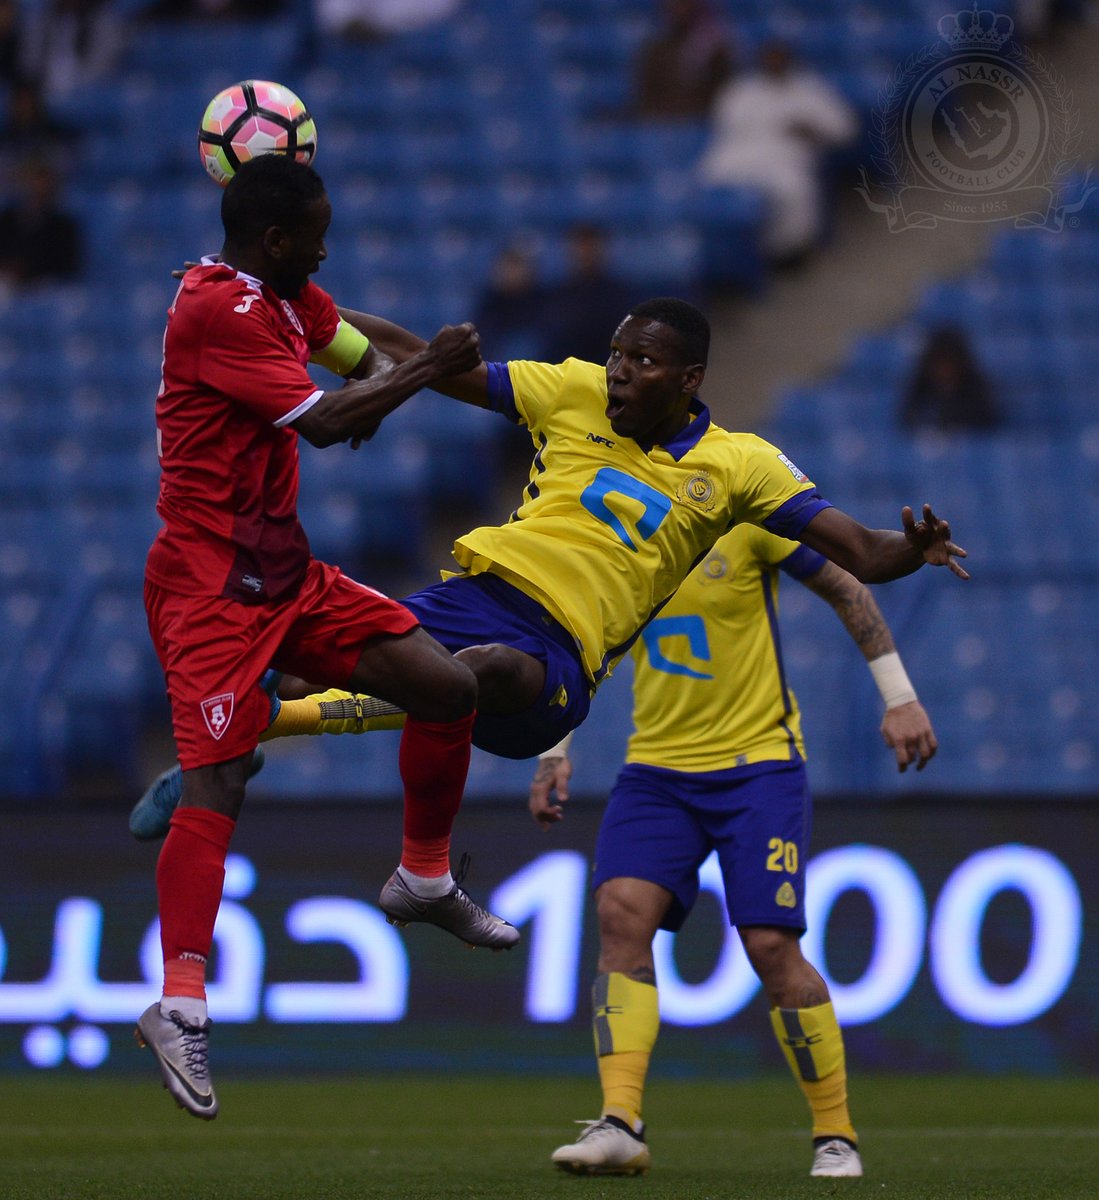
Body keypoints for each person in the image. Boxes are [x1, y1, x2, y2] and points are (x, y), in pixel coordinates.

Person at [131, 295, 967, 847]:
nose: (618, 371)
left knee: (475, 672)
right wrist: (291, 308)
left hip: (558, 664)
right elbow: (424, 361)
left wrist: (912, 550)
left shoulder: (740, 466)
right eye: (614, 354)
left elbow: (859, 552)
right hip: (479, 592)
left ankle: (277, 732)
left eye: (641, 361)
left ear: (690, 379)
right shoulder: (568, 392)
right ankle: (238, 740)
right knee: (295, 646)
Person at [134, 153, 519, 1125]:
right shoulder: (214, 311)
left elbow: (358, 350)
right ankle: (179, 1003)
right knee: (221, 783)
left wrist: (455, 374)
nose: (326, 247)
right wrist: (425, 367)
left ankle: (423, 878)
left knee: (445, 690)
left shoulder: (284, 298)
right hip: (212, 591)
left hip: (286, 574)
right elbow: (329, 418)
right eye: (316, 234)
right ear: (274, 241)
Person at [531, 523, 938, 1179]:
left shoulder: (746, 514)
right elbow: (585, 650)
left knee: (770, 947)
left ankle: (835, 1134)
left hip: (758, 767)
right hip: (656, 769)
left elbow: (843, 585)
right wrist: (553, 752)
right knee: (619, 912)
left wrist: (899, 698)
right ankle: (620, 1123)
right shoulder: (615, 537)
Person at [697, 40, 858, 265]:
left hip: (785, 158)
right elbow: (723, 125)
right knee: (706, 179)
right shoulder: (741, 89)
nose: (774, 63)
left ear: (789, 60)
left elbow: (845, 129)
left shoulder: (809, 89)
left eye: (779, 58)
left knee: (793, 191)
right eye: (769, 58)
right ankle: (717, 255)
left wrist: (813, 129)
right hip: (738, 155)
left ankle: (787, 253)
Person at [541, 223, 638, 366]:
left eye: (590, 247)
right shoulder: (558, 295)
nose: (584, 253)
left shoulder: (618, 295)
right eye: (580, 246)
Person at [632, 0, 737, 120]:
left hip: (704, 122)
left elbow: (726, 92)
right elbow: (645, 95)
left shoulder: (716, 47)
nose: (680, 8)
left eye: (684, 3)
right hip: (663, 124)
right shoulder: (655, 50)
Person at [899, 324, 1001, 433]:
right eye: (939, 364)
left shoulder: (977, 397)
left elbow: (985, 426)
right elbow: (907, 423)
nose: (945, 371)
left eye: (949, 364)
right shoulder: (917, 394)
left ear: (962, 365)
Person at [0, 158, 83, 286]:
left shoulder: (63, 226)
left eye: (42, 183)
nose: (35, 188)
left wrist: (27, 271)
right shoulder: (7, 219)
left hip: (44, 294)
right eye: (30, 182)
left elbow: (66, 266)